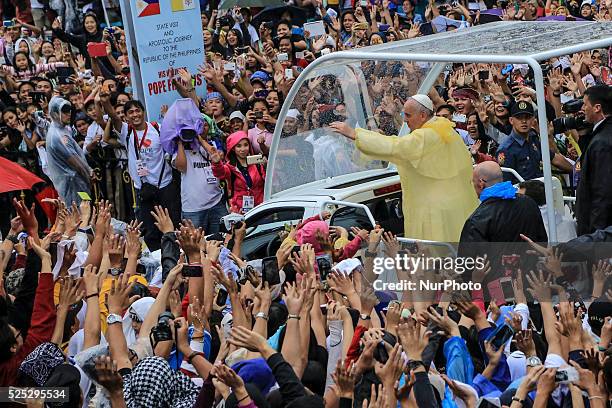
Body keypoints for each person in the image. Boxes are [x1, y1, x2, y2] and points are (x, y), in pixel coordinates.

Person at [330, 94, 478, 242]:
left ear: (422, 115)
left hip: (436, 210)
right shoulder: (442, 127)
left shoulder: (427, 135)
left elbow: (397, 147)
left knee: (435, 257)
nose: (405, 120)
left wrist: (356, 134)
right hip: (454, 203)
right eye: (403, 114)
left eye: (408, 115)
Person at [102, 97, 179, 251]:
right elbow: (113, 116)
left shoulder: (157, 129)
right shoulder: (127, 132)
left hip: (164, 185)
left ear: (144, 112)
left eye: (138, 110)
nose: (135, 114)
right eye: (130, 112)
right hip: (143, 190)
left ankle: (176, 256)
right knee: (150, 231)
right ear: (126, 116)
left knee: (172, 224)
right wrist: (105, 102)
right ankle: (158, 262)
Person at [459, 161, 548, 283]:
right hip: (532, 284)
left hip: (496, 294)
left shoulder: (477, 219)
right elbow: (542, 243)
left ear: (480, 184)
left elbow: (467, 266)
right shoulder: (529, 203)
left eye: (473, 182)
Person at [495, 101, 573, 183]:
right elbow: (506, 184)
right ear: (511, 120)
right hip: (521, 193)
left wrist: (578, 171)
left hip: (540, 189)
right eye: (519, 118)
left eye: (527, 117)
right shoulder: (506, 149)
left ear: (533, 120)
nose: (524, 121)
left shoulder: (533, 138)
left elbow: (554, 158)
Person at [575, 85, 612, 236]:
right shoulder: (600, 136)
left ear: (597, 107)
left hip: (602, 231)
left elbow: (603, 193)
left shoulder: (602, 143)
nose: (582, 108)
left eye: (585, 104)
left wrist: (595, 238)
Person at [44, 97, 92, 206]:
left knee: (84, 211)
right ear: (55, 113)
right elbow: (76, 163)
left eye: (69, 110)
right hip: (72, 184)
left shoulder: (62, 129)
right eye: (64, 111)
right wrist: (88, 175)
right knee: (80, 215)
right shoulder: (57, 135)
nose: (69, 113)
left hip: (75, 182)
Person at [211, 131, 265, 214]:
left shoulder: (257, 163)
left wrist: (266, 166)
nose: (243, 149)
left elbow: (270, 180)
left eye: (246, 145)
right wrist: (217, 163)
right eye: (238, 146)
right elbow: (220, 173)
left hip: (260, 207)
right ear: (233, 148)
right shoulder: (229, 167)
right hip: (239, 210)